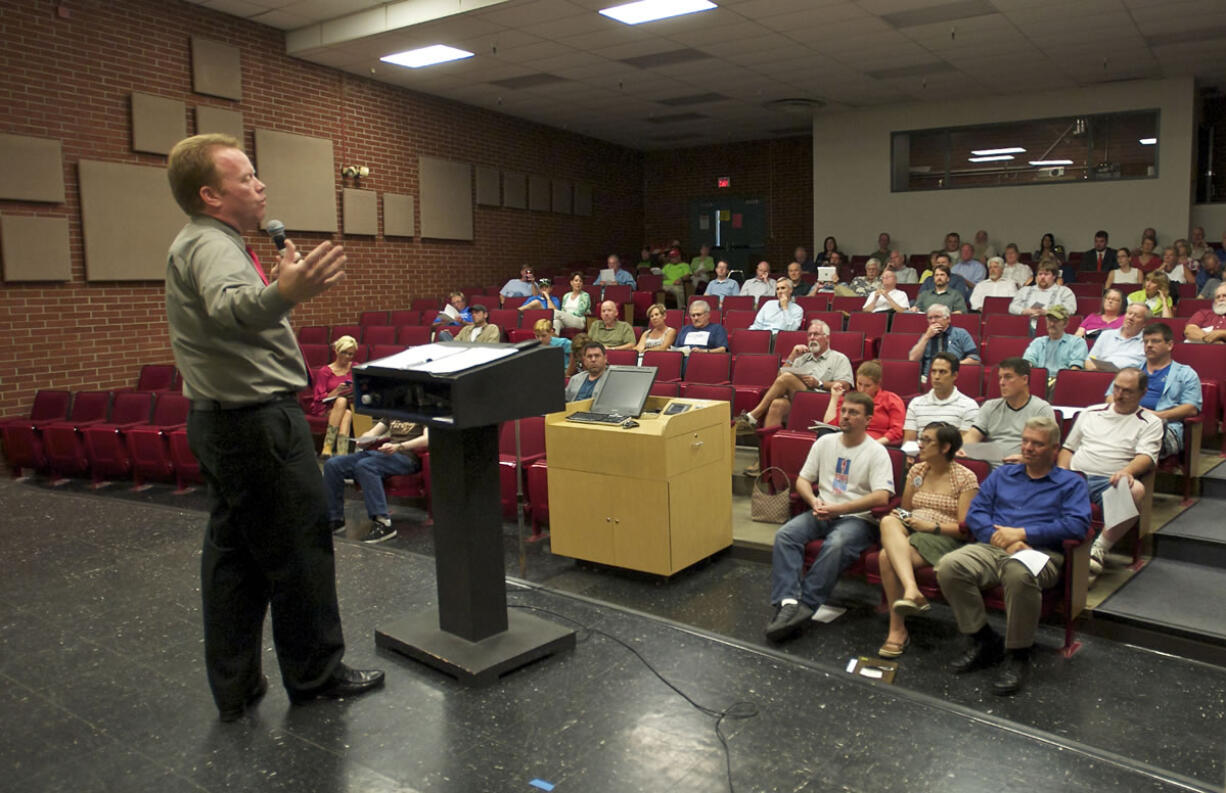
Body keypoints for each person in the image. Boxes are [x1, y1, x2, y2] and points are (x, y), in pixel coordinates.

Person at [165, 133, 382, 721]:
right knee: (299, 550)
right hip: (257, 421)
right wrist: (284, 291)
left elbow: (235, 311)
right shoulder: (213, 245)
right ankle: (316, 676)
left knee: (234, 558)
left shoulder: (208, 241)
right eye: (246, 178)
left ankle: (235, 686)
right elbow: (232, 308)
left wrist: (277, 292)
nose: (260, 186)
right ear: (211, 194)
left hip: (222, 422)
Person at [937, 417, 1091, 695]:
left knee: (1017, 572)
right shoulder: (1002, 475)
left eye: (1037, 444)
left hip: (1041, 553)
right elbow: (976, 513)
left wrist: (1023, 533)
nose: (1028, 448)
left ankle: (1018, 653)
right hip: (995, 546)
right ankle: (983, 639)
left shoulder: (1071, 483)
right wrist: (1005, 541)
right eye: (1025, 441)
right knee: (950, 566)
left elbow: (1077, 525)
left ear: (1055, 448)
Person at [764, 392, 895, 642]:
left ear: (868, 419)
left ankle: (807, 604)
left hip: (857, 519)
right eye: (844, 410)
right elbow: (803, 480)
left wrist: (840, 510)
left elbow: (881, 498)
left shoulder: (877, 452)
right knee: (785, 535)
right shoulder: (825, 443)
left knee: (837, 544)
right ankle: (788, 601)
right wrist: (814, 501)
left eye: (853, 412)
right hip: (821, 511)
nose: (845, 416)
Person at [875, 422, 978, 658]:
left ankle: (897, 629)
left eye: (928, 440)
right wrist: (901, 516)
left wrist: (932, 526)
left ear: (945, 447)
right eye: (921, 438)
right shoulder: (917, 471)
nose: (919, 444)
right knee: (889, 521)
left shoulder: (965, 478)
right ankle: (912, 590)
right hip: (912, 530)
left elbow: (964, 529)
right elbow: (906, 509)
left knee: (884, 557)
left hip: (942, 535)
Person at [1059, 367, 1161, 582]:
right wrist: (1061, 474)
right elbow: (1067, 449)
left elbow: (1147, 457)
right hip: (1076, 477)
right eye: (1117, 388)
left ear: (1142, 393)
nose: (1120, 395)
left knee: (1136, 490)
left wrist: (1127, 471)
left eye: (1128, 391)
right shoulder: (1090, 412)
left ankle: (1098, 549)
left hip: (1109, 480)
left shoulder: (1150, 422)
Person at [733, 320, 853, 433]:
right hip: (798, 399)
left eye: (816, 334)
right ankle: (768, 450)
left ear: (827, 338)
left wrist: (819, 383)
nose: (812, 338)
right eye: (809, 335)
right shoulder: (802, 358)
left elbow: (845, 385)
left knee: (787, 378)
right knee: (777, 404)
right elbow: (779, 378)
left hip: (823, 401)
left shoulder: (839, 358)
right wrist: (792, 355)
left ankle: (753, 416)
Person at [323, 417, 428, 544]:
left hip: (407, 457)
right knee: (333, 464)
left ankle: (384, 523)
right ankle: (335, 519)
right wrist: (364, 440)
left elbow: (427, 439)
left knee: (366, 465)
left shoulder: (421, 412)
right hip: (385, 454)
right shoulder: (392, 412)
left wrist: (399, 446)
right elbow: (374, 432)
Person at [1129, 322, 1202, 455]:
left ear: (1169, 345)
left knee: (1137, 440)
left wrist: (1157, 416)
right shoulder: (1130, 371)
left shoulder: (1186, 373)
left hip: (1167, 428)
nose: (1149, 345)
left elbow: (1191, 408)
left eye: (1155, 341)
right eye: (1146, 342)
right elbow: (1111, 396)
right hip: (1129, 421)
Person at [963, 358, 1054, 461]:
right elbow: (972, 435)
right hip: (990, 463)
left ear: (1024, 379)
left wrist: (1025, 459)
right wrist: (963, 450)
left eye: (1008, 377)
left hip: (1024, 465)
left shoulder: (1041, 409)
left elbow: (1048, 450)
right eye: (1000, 378)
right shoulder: (990, 406)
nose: (1001, 383)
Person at [821, 360, 905, 445]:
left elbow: (897, 430)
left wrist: (875, 444)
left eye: (867, 386)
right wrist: (834, 397)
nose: (862, 389)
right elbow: (829, 424)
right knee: (824, 433)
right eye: (859, 384)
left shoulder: (891, 399)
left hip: (875, 443)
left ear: (878, 385)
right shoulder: (849, 398)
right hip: (846, 439)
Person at [902, 352, 980, 442]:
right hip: (919, 454)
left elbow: (963, 448)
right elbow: (908, 444)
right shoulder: (915, 404)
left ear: (955, 375)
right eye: (933, 371)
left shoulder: (969, 406)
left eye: (942, 372)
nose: (936, 376)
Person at [310, 335, 356, 458]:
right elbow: (319, 398)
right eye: (344, 353)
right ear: (337, 351)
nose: (347, 357)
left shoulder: (355, 368)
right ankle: (341, 453)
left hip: (351, 405)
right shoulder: (325, 371)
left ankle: (329, 447)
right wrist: (336, 391)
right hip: (327, 408)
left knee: (347, 412)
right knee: (341, 402)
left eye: (350, 354)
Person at [908, 304, 979, 377]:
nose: (933, 321)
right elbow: (913, 359)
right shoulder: (925, 336)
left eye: (937, 317)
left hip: (953, 376)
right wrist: (926, 337)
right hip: (928, 377)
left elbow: (975, 359)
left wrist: (951, 365)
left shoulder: (960, 333)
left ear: (948, 319)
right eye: (930, 318)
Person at [1022, 305, 1087, 380]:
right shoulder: (1038, 342)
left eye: (1056, 321)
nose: (1052, 324)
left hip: (1063, 382)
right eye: (1049, 320)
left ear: (1065, 323)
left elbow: (1075, 369)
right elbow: (1028, 361)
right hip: (1039, 380)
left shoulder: (1077, 342)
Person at [1086, 303, 1150, 371]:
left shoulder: (1148, 341)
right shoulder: (1106, 335)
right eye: (1129, 313)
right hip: (1101, 375)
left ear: (1144, 323)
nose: (1130, 318)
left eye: (1137, 316)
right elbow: (1089, 361)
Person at [1008, 261, 1077, 319]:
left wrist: (1047, 312)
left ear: (1054, 276)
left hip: (1054, 328)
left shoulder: (1064, 291)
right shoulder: (1025, 290)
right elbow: (1012, 307)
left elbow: (1070, 310)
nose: (1042, 277)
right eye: (1040, 274)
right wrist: (1026, 311)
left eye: (1046, 274)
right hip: (1025, 326)